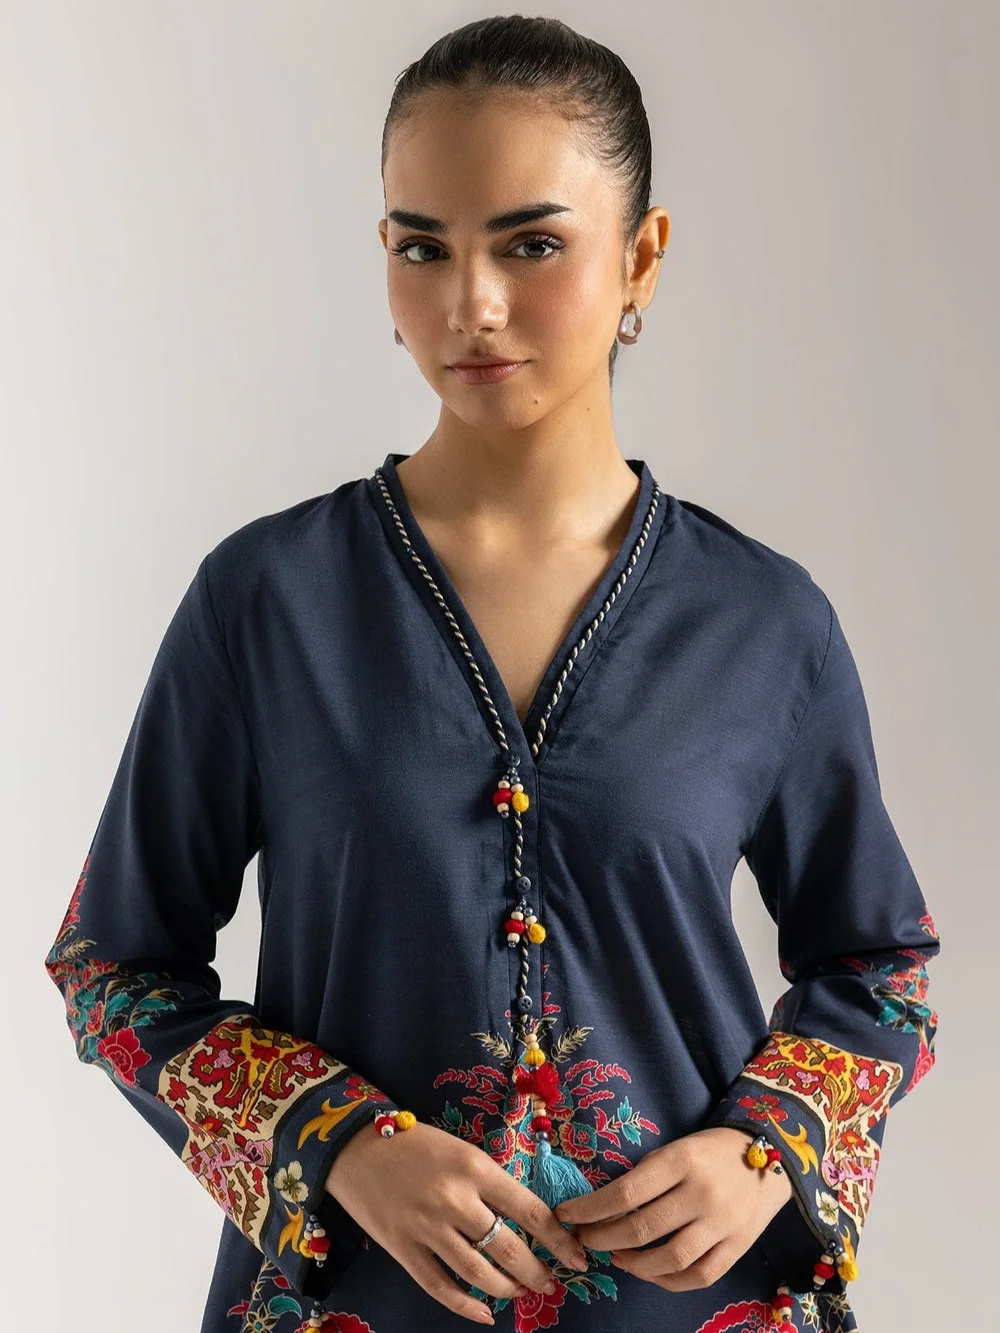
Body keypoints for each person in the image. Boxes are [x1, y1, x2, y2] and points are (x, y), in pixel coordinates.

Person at [43, 15, 941, 1333]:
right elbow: (114, 965)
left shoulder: (763, 622)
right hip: (354, 1297)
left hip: (686, 1308)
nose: (471, 305)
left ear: (642, 257)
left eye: (531, 244)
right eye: (423, 247)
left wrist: (764, 1153)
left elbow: (881, 965)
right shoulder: (267, 602)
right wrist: (340, 1145)